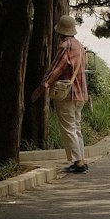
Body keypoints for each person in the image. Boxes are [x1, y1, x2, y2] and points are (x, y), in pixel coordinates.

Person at [32, 13, 89, 173]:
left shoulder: (66, 46)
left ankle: (78, 162)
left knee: (69, 127)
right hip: (80, 92)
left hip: (67, 94)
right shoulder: (78, 45)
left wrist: (42, 87)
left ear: (60, 31)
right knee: (76, 126)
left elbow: (57, 68)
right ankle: (81, 159)